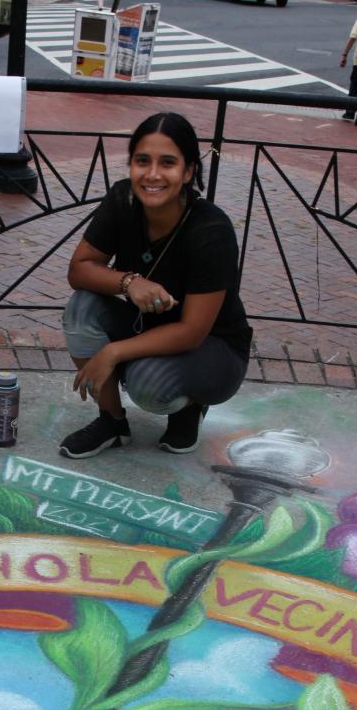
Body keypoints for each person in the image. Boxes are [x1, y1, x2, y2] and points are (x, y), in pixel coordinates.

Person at [58, 111, 253, 460]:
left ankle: (189, 406)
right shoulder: (123, 200)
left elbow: (192, 331)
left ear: (189, 171)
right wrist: (129, 282)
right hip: (143, 324)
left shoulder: (211, 230)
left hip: (212, 348)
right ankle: (113, 422)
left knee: (147, 382)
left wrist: (112, 352)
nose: (152, 174)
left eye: (168, 163)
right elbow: (80, 270)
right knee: (81, 307)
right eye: (142, 161)